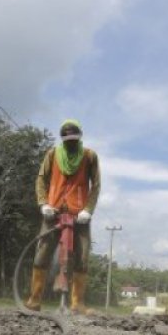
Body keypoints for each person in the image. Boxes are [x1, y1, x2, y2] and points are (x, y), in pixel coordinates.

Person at [26, 119, 101, 314]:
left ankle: (77, 303)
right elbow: (41, 178)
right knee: (42, 253)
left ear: (80, 137)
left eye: (74, 139)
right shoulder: (52, 154)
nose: (70, 143)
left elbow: (96, 185)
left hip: (80, 215)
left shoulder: (89, 156)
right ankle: (34, 299)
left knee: (82, 256)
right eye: (67, 139)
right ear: (62, 139)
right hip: (53, 211)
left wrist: (88, 210)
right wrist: (43, 203)